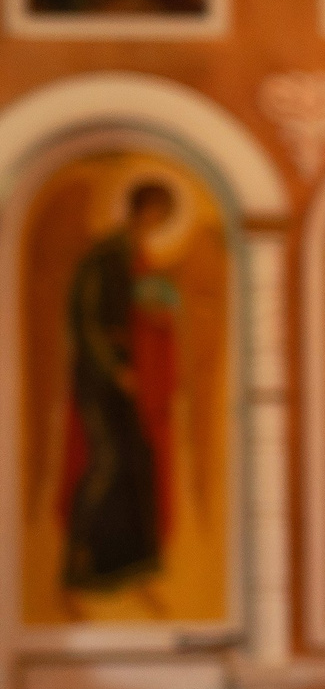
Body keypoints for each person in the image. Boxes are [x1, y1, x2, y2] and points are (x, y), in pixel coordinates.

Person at [62, 178, 179, 596]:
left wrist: (161, 319)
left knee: (139, 464)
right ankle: (77, 561)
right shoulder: (103, 257)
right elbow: (87, 321)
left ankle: (128, 567)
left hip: (136, 380)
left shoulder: (143, 261)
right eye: (153, 213)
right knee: (105, 461)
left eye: (163, 217)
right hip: (101, 379)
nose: (155, 223)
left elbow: (151, 313)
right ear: (138, 210)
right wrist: (115, 370)